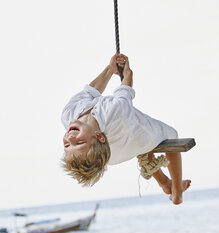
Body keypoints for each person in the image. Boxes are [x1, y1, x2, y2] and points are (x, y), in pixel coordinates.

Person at [61, 54, 191, 205]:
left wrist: (110, 69)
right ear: (99, 136)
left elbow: (90, 92)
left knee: (142, 143)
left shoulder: (68, 113)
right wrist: (127, 74)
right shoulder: (116, 111)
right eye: (79, 142)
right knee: (169, 137)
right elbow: (125, 91)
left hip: (111, 154)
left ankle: (164, 183)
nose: (70, 138)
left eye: (67, 145)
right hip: (131, 139)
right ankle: (177, 192)